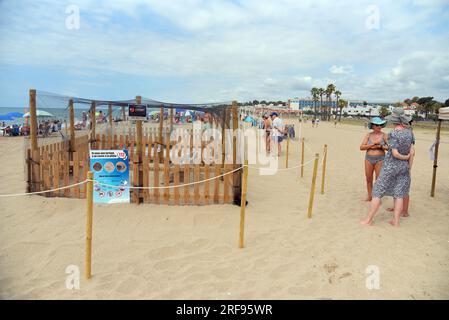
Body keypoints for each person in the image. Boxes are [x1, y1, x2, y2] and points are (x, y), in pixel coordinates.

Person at [361, 107, 414, 227]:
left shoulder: (393, 133)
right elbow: (412, 152)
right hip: (404, 168)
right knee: (399, 193)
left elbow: (395, 153)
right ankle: (395, 221)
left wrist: (404, 157)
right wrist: (408, 166)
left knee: (377, 191)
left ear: (394, 120)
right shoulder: (409, 133)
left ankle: (368, 220)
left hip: (391, 166)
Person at [359, 117, 388, 201]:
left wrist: (381, 146)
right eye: (377, 125)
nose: (379, 126)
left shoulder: (384, 135)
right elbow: (361, 147)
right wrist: (372, 145)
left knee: (378, 179)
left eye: (381, 125)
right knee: (368, 178)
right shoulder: (368, 135)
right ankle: (369, 196)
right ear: (372, 126)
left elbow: (390, 147)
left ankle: (377, 197)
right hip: (368, 159)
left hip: (380, 159)